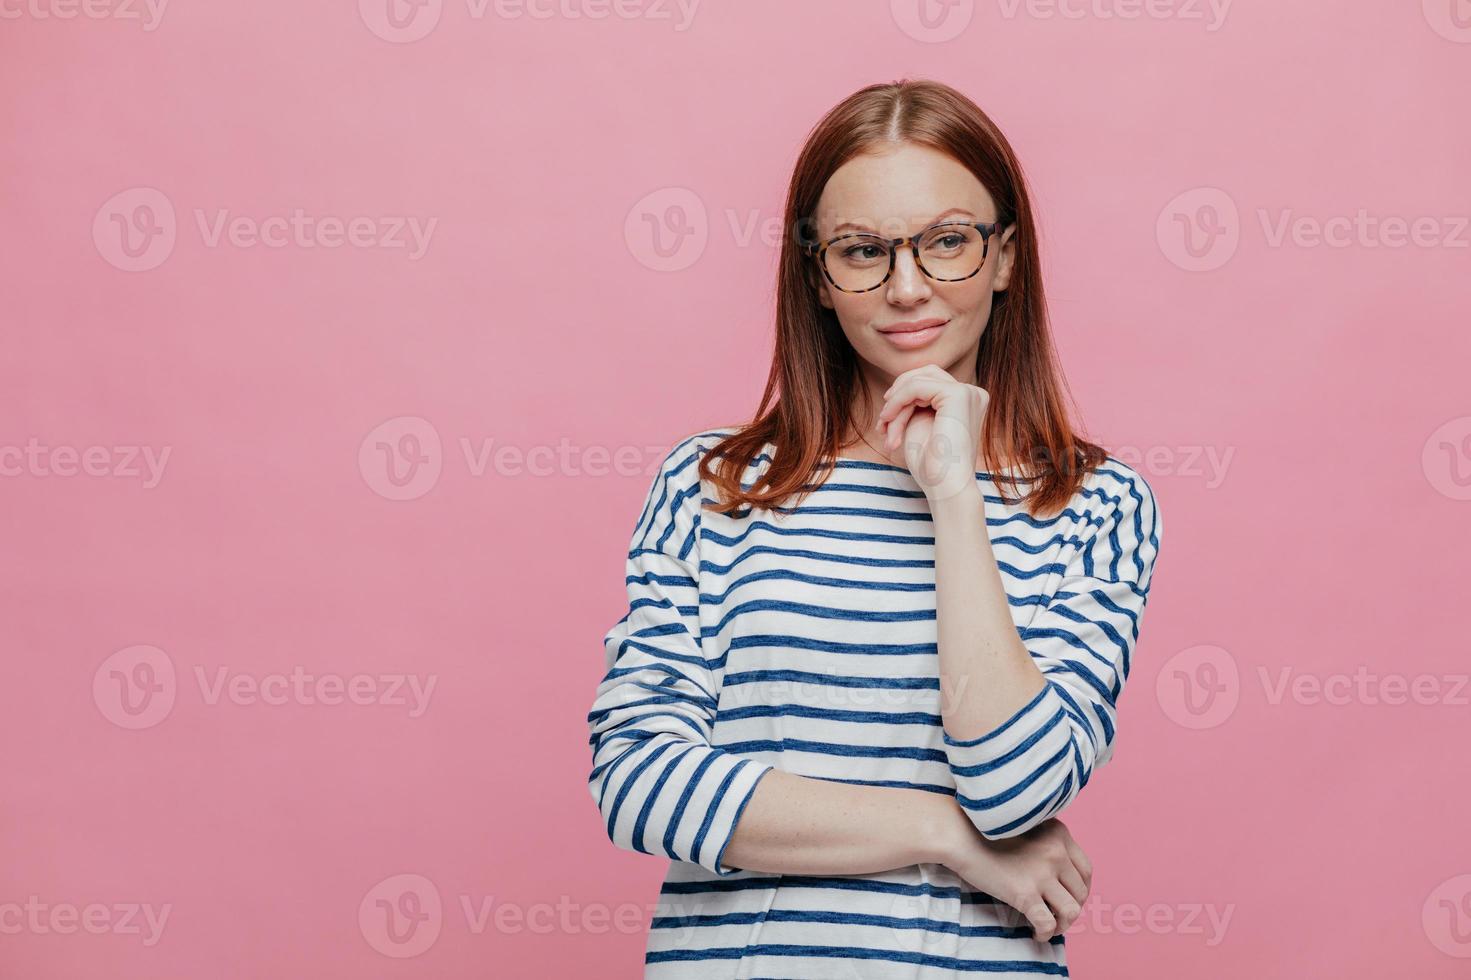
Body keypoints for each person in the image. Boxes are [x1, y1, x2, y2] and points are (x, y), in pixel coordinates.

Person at [587, 77, 1163, 978]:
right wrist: (942, 834)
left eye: (946, 243)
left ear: (1005, 256)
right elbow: (637, 782)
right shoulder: (717, 486)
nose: (906, 288)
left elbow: (1017, 790)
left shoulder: (1093, 503)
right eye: (862, 251)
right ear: (818, 275)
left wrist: (956, 496)